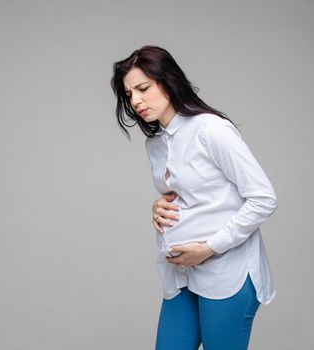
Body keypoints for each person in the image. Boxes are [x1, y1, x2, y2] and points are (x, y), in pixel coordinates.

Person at [111, 45, 278, 350]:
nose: (135, 101)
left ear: (168, 81)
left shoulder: (211, 130)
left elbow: (263, 198)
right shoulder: (156, 144)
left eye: (143, 89)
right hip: (181, 274)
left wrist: (208, 248)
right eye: (128, 94)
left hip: (227, 273)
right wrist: (157, 206)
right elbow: (189, 193)